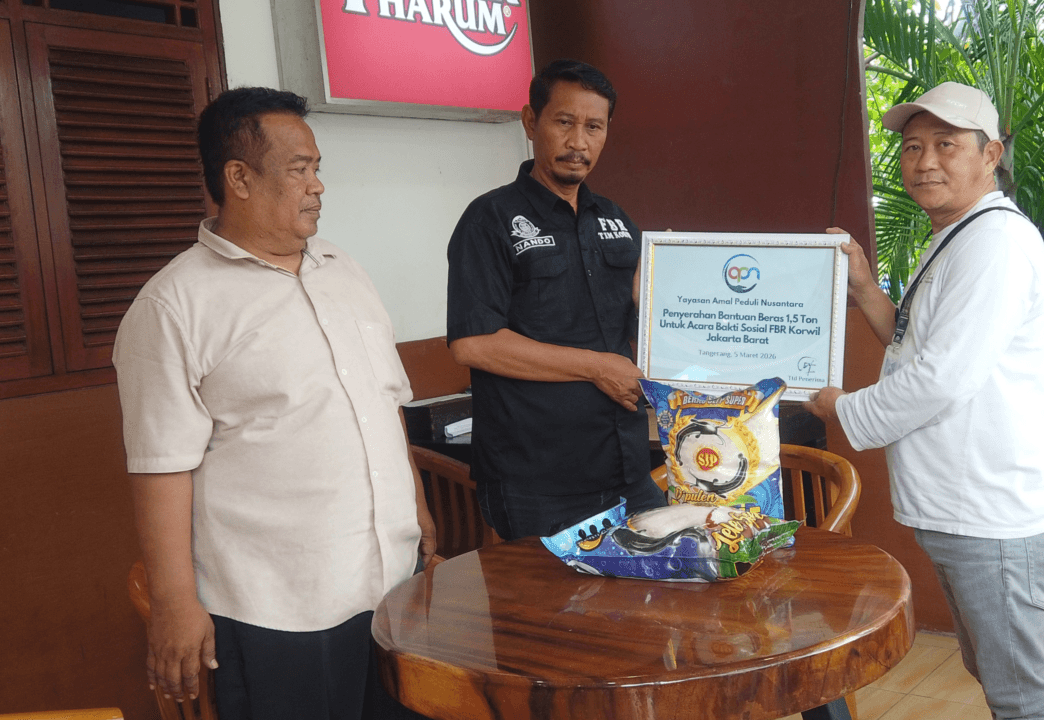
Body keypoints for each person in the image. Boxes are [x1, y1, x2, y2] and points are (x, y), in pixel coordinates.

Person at [113, 87, 435, 720]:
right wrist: (175, 603)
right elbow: (161, 465)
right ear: (239, 178)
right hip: (281, 609)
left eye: (317, 168)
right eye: (299, 169)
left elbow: (384, 403)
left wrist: (418, 508)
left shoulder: (344, 271)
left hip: (392, 584)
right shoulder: (173, 305)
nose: (318, 186)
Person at [803, 82, 1044, 720]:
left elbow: (941, 378)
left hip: (993, 517)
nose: (924, 162)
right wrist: (865, 288)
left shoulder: (994, 243)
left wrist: (842, 408)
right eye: (912, 147)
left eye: (946, 145)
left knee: (1020, 698)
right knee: (996, 675)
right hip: (967, 512)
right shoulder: (959, 235)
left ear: (991, 155)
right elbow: (916, 348)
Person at [446, 59, 666, 541]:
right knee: (551, 597)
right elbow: (473, 343)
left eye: (594, 127)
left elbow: (645, 325)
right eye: (564, 122)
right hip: (538, 481)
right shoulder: (489, 219)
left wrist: (665, 305)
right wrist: (596, 367)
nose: (578, 142)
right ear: (531, 122)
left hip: (628, 469)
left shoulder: (616, 220)